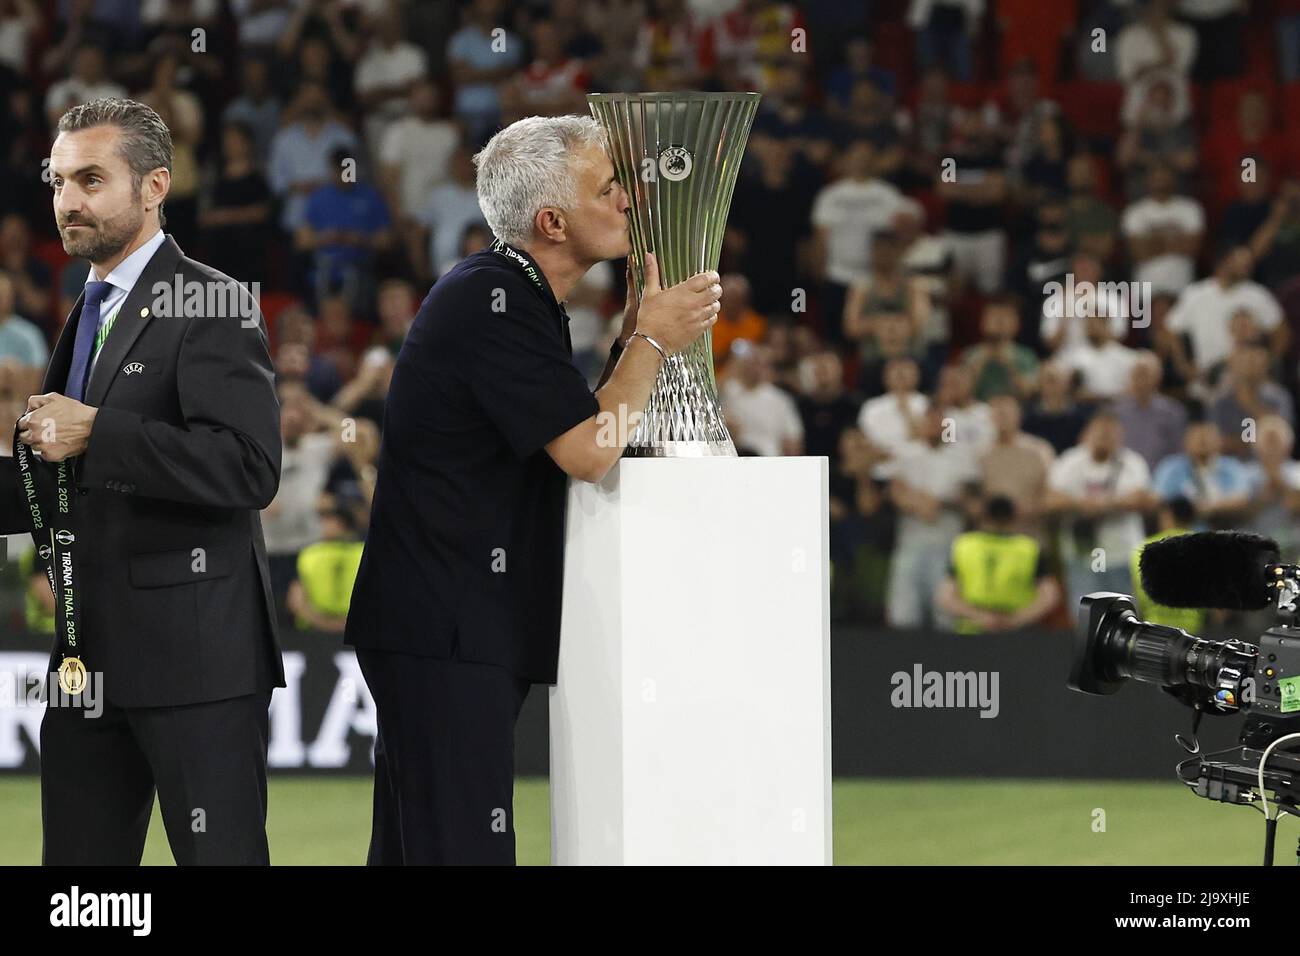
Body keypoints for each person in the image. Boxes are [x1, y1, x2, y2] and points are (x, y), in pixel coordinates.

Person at [343, 114, 721, 865]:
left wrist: (629, 343)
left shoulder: (510, 297)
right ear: (551, 221)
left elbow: (570, 430)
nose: (627, 202)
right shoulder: (496, 300)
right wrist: (650, 342)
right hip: (447, 628)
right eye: (608, 188)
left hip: (446, 626)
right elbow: (588, 450)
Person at [0, 98, 282, 864]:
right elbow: (61, 474)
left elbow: (248, 465)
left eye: (91, 179)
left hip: (196, 662)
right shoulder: (86, 308)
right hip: (85, 663)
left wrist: (100, 430)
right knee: (85, 898)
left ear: (155, 186)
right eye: (58, 182)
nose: (67, 202)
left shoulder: (211, 298)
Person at [937, 494, 1061, 633]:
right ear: (1014, 516)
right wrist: (1016, 619)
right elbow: (1050, 596)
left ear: (983, 516)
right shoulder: (1029, 548)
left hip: (972, 628)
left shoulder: (964, 545)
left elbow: (945, 596)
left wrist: (981, 617)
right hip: (1016, 632)